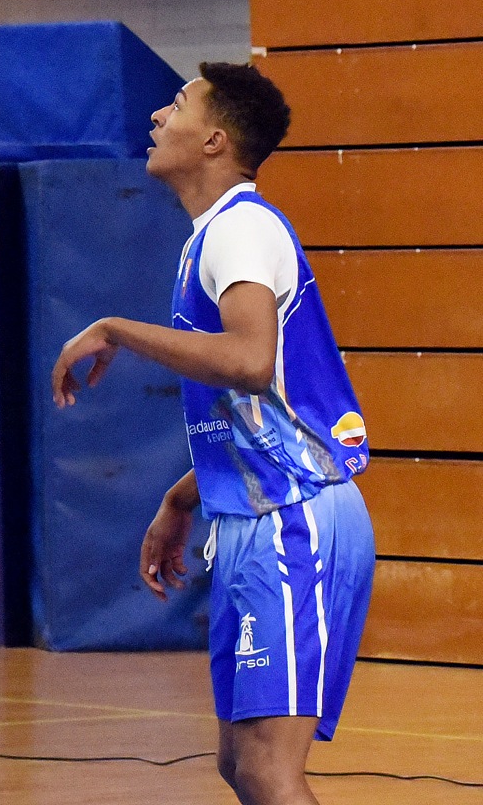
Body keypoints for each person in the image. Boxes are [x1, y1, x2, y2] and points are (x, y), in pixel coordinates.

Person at [52, 64, 375, 805]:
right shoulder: (215, 236)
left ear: (215, 141)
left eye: (180, 103)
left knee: (268, 769)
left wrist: (114, 329)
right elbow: (270, 412)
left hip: (294, 523)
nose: (160, 113)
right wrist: (183, 496)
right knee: (240, 764)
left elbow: (251, 364)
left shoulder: (242, 227)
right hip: (257, 513)